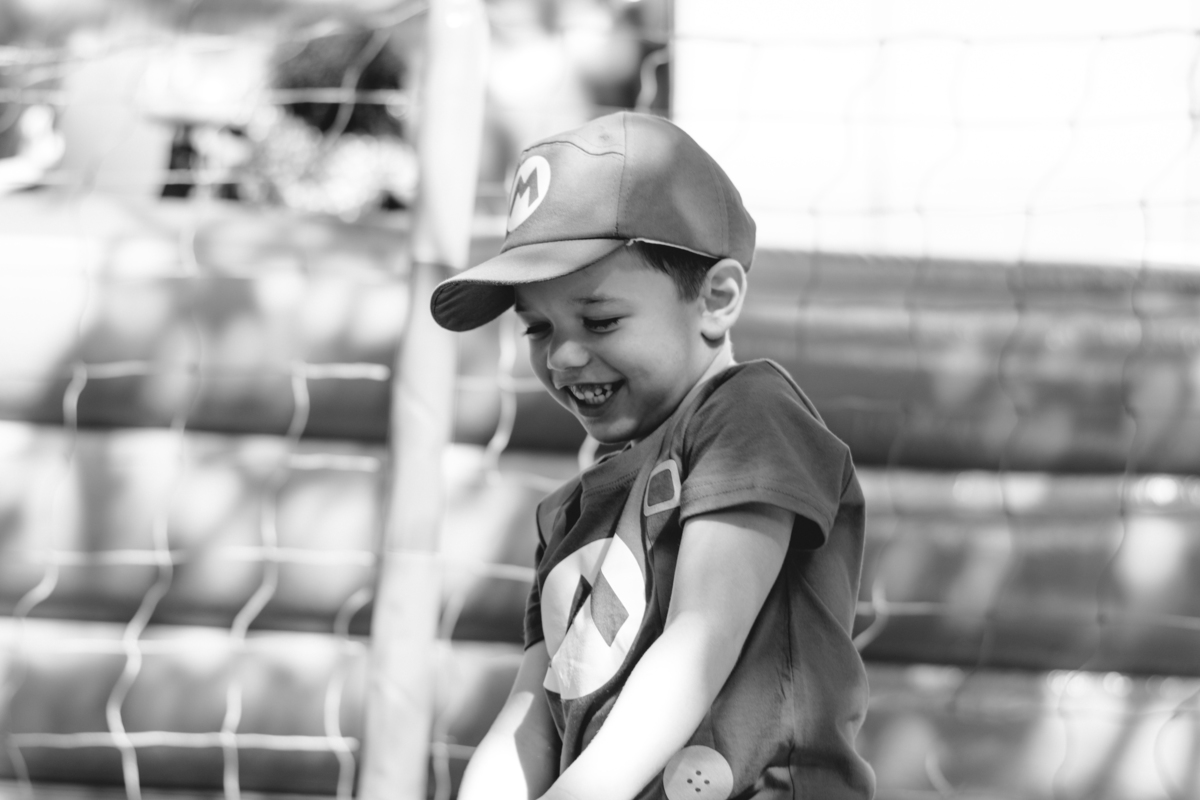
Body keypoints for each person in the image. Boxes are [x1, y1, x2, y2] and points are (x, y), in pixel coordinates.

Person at [430, 111, 875, 800]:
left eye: (600, 319)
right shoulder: (570, 514)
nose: (563, 355)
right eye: (538, 328)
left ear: (716, 298)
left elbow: (700, 641)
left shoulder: (748, 415)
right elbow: (532, 719)